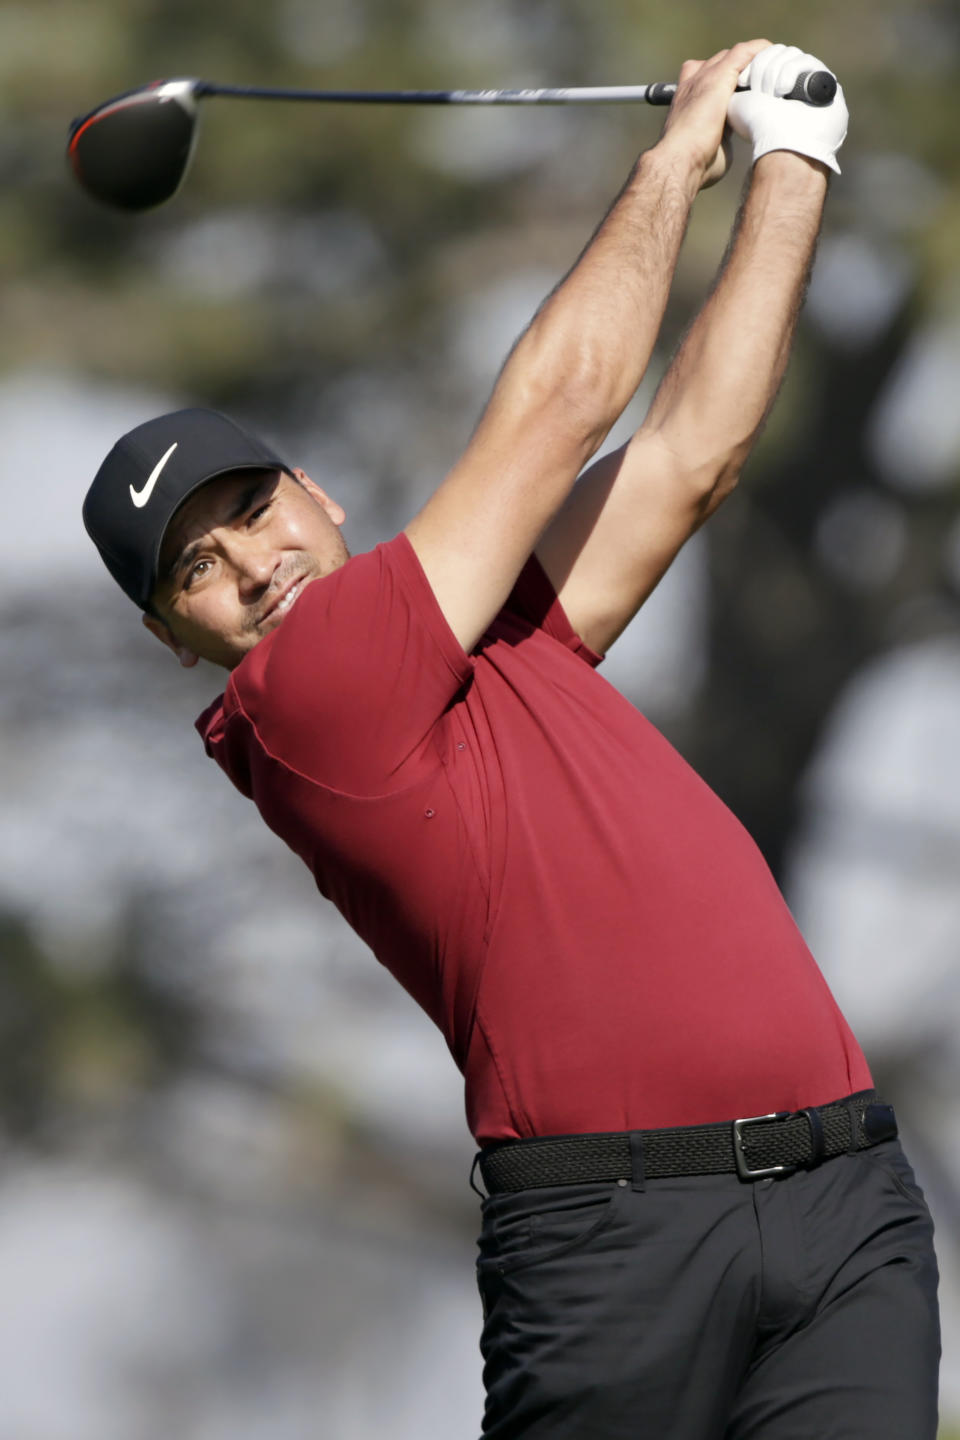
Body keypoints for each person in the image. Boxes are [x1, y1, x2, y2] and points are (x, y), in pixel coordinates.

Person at [82, 40, 940, 1440]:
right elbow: (561, 407)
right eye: (193, 568)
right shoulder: (309, 701)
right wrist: (678, 159)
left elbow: (689, 453)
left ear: (314, 489)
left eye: (249, 502)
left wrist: (796, 163)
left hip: (844, 1201)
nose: (248, 560)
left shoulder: (490, 635)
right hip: (615, 1247)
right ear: (176, 639)